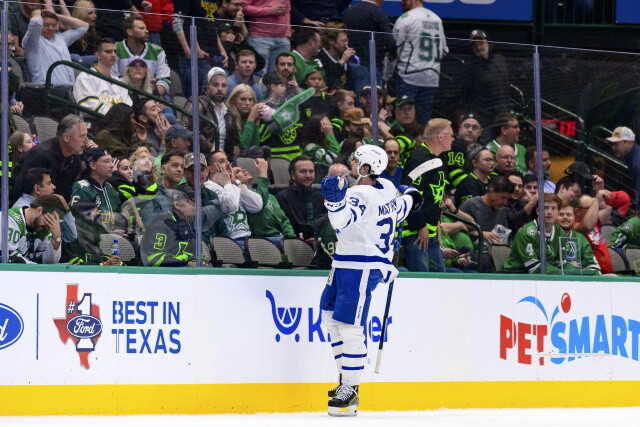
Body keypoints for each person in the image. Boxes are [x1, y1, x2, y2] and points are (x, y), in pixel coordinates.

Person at [319, 144, 419, 416]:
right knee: (329, 318)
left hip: (361, 265)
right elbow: (402, 205)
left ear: (364, 169)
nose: (351, 163)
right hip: (344, 262)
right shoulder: (386, 186)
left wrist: (334, 201)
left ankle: (350, 388)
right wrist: (412, 195)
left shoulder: (359, 193)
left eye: (355, 161)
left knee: (349, 326)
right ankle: (345, 381)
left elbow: (340, 221)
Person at [400, 118, 452, 272]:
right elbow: (409, 193)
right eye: (451, 135)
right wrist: (420, 226)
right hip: (416, 232)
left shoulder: (439, 158)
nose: (453, 139)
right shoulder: (420, 158)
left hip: (430, 230)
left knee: (439, 277)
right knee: (422, 277)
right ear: (441, 137)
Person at [503, 193, 600, 275]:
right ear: (537, 211)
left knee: (569, 266)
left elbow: (564, 261)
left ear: (557, 212)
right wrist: (569, 273)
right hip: (517, 275)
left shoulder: (558, 231)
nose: (549, 212)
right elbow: (535, 268)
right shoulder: (527, 233)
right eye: (545, 208)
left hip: (545, 275)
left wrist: (575, 270)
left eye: (553, 208)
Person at [393, 0, 447, 125]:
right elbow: (444, 50)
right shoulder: (436, 19)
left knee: (404, 118)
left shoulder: (406, 18)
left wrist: (386, 75)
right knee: (423, 120)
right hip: (431, 77)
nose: (401, 2)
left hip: (409, 76)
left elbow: (394, 49)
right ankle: (421, 143)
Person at [16, 115, 87, 201]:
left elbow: (65, 195)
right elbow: (20, 188)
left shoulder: (76, 162)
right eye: (82, 136)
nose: (86, 141)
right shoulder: (40, 154)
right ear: (66, 137)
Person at [22, 8, 88, 86]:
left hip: (69, 91)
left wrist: (56, 16)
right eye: (46, 25)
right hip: (45, 91)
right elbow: (36, 22)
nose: (51, 28)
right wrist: (36, 12)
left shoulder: (61, 38)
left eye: (54, 25)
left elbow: (84, 26)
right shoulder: (32, 41)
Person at [172, 0, 227, 95]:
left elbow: (213, 26)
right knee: (196, 96)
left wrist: (222, 50)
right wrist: (189, 51)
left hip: (214, 54)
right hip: (195, 56)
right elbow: (178, 23)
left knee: (218, 94)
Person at [13, 167, 77, 244]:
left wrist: (66, 210)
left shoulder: (48, 206)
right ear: (37, 188)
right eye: (49, 183)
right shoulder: (21, 210)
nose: (54, 187)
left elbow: (70, 236)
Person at [113, 15, 171, 98]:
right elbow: (112, 78)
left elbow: (165, 80)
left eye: (146, 28)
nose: (147, 31)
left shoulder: (158, 51)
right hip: (122, 95)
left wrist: (149, 96)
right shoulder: (115, 49)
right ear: (129, 32)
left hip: (152, 94)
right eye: (141, 28)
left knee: (168, 110)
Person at [458, 30, 510, 121]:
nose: (478, 47)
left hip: (503, 112)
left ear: (488, 43)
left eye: (481, 43)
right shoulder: (469, 66)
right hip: (482, 115)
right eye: (475, 45)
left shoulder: (500, 60)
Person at [73, 37, 133, 116]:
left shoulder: (119, 81)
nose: (113, 55)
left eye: (115, 51)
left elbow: (128, 106)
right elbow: (89, 106)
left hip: (120, 124)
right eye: (108, 52)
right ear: (98, 54)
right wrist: (116, 115)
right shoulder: (86, 77)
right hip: (95, 123)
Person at [140, 190, 200, 267]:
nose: (194, 205)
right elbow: (154, 258)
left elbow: (194, 252)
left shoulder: (188, 225)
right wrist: (185, 264)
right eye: (189, 201)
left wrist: (202, 262)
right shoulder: (161, 225)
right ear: (177, 205)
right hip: (162, 276)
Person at [70, 148, 124, 233]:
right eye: (106, 161)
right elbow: (81, 224)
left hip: (112, 240)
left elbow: (119, 217)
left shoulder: (110, 189)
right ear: (93, 165)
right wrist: (108, 233)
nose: (112, 165)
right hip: (91, 242)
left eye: (111, 161)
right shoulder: (81, 188)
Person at [0, 194, 65, 264]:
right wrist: (39, 269)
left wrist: (56, 238)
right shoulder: (9, 219)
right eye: (49, 220)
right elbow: (8, 257)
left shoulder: (44, 228)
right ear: (39, 210)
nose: (48, 226)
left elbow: (49, 262)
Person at [342, 0, 395, 84]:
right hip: (372, 64)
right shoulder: (378, 13)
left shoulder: (349, 11)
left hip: (352, 61)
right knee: (372, 95)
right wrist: (394, 54)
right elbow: (389, 40)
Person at [275, 155, 326, 240]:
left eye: (311, 171)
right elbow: (293, 226)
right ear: (293, 175)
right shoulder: (283, 197)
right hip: (295, 243)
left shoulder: (320, 196)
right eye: (303, 171)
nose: (308, 175)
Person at [182, 67, 229, 154]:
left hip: (223, 157)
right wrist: (211, 148)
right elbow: (188, 129)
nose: (220, 89)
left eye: (223, 85)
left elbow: (234, 143)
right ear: (208, 86)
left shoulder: (228, 111)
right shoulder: (196, 103)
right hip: (201, 155)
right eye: (215, 85)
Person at [459, 175, 514, 245]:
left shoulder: (502, 210)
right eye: (503, 198)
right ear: (491, 191)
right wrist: (478, 233)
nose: (505, 202)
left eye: (507, 199)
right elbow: (457, 231)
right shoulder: (471, 205)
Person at [243, 0, 292, 74]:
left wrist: (287, 33)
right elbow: (244, 7)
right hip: (259, 36)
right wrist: (269, 11)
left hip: (282, 39)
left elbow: (287, 9)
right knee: (259, 74)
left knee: (279, 77)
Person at [572, 190, 614, 274]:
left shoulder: (595, 221)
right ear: (577, 211)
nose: (595, 209)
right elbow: (587, 226)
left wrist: (600, 190)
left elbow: (608, 207)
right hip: (593, 273)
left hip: (606, 272)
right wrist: (596, 200)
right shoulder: (574, 225)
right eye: (591, 207)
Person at [225, 84, 265, 161]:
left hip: (247, 157)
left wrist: (256, 121)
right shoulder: (230, 116)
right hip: (232, 158)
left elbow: (255, 145)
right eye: (243, 99)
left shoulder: (250, 116)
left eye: (250, 100)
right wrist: (251, 118)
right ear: (234, 100)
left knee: (264, 150)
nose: (247, 103)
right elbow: (243, 145)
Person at [447, 113, 483, 188]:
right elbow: (456, 174)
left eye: (475, 127)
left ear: (480, 132)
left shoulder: (482, 150)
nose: (470, 130)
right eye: (466, 126)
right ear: (460, 128)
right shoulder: (453, 146)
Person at [608, 126, 640, 207]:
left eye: (616, 144)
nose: (613, 147)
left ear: (627, 142)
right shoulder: (632, 156)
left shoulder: (637, 161)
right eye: (613, 144)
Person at [68, 0, 99, 68]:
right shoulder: (72, 36)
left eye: (95, 12)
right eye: (90, 13)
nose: (95, 16)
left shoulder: (93, 33)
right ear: (81, 15)